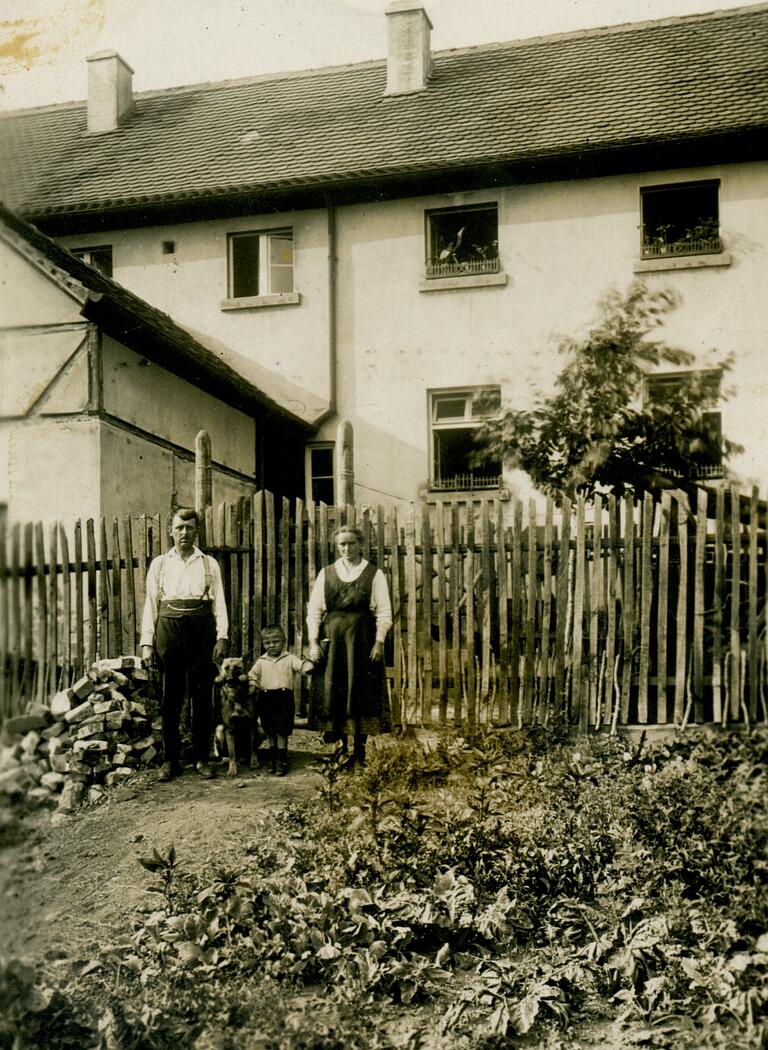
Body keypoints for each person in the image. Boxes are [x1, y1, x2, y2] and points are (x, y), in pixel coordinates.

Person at [140, 507, 228, 781]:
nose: (184, 533)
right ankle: (171, 759)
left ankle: (202, 757)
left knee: (202, 696)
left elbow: (220, 603)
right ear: (171, 530)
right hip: (169, 631)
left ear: (196, 531)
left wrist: (222, 636)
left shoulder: (209, 563)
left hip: (202, 631)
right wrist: (147, 643)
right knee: (171, 697)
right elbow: (150, 604)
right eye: (179, 528)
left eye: (189, 528)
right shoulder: (160, 563)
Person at [307, 525, 393, 767]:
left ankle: (360, 753)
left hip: (362, 640)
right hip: (333, 642)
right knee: (335, 690)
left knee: (361, 691)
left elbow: (384, 611)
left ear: (360, 545)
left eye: (351, 543)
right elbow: (314, 609)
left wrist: (379, 642)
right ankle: (341, 750)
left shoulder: (374, 574)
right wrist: (313, 641)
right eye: (342, 544)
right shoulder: (327, 573)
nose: (346, 548)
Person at [248, 625, 314, 776]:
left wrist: (309, 666)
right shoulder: (261, 661)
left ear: (284, 641)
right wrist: (253, 685)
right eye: (267, 642)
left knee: (282, 730)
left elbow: (301, 666)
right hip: (266, 699)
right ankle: (272, 759)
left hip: (284, 699)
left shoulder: (289, 658)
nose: (271, 645)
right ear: (263, 644)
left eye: (275, 641)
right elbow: (253, 675)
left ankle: (282, 761)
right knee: (270, 730)